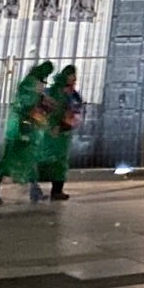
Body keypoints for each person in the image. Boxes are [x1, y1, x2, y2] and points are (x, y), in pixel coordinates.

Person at [0, 61, 54, 206]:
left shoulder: (33, 83)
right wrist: (43, 118)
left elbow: (38, 102)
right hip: (18, 128)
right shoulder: (30, 84)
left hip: (27, 127)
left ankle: (35, 190)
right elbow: (28, 106)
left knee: (29, 158)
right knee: (8, 158)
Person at [38, 64, 84, 201]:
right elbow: (47, 109)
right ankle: (34, 186)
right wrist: (54, 124)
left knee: (61, 162)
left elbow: (77, 106)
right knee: (48, 158)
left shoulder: (72, 94)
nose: (74, 79)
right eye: (71, 75)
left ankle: (57, 190)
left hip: (64, 132)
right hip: (53, 132)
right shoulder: (54, 92)